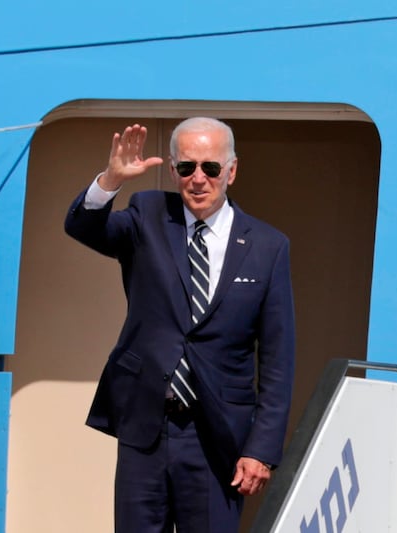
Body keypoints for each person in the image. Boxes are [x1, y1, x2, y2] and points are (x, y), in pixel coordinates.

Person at [64, 117, 295, 533]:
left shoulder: (268, 246)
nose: (198, 179)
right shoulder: (148, 214)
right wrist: (110, 180)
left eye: (211, 167)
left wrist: (261, 449)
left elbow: (278, 361)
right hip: (146, 425)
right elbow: (84, 226)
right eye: (187, 168)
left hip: (217, 437)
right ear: (173, 171)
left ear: (232, 170)